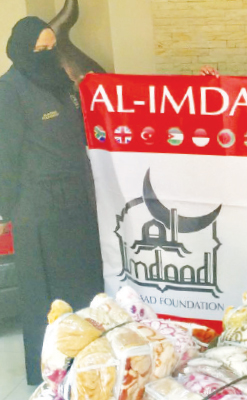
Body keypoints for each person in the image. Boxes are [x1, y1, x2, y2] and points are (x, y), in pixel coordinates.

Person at [0, 17, 104, 385]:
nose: (46, 55)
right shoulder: (9, 90)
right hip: (39, 211)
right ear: (21, 49)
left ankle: (89, 367)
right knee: (48, 300)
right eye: (39, 49)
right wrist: (5, 208)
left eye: (51, 48)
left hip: (76, 204)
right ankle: (49, 372)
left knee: (83, 289)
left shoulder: (61, 83)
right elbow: (5, 155)